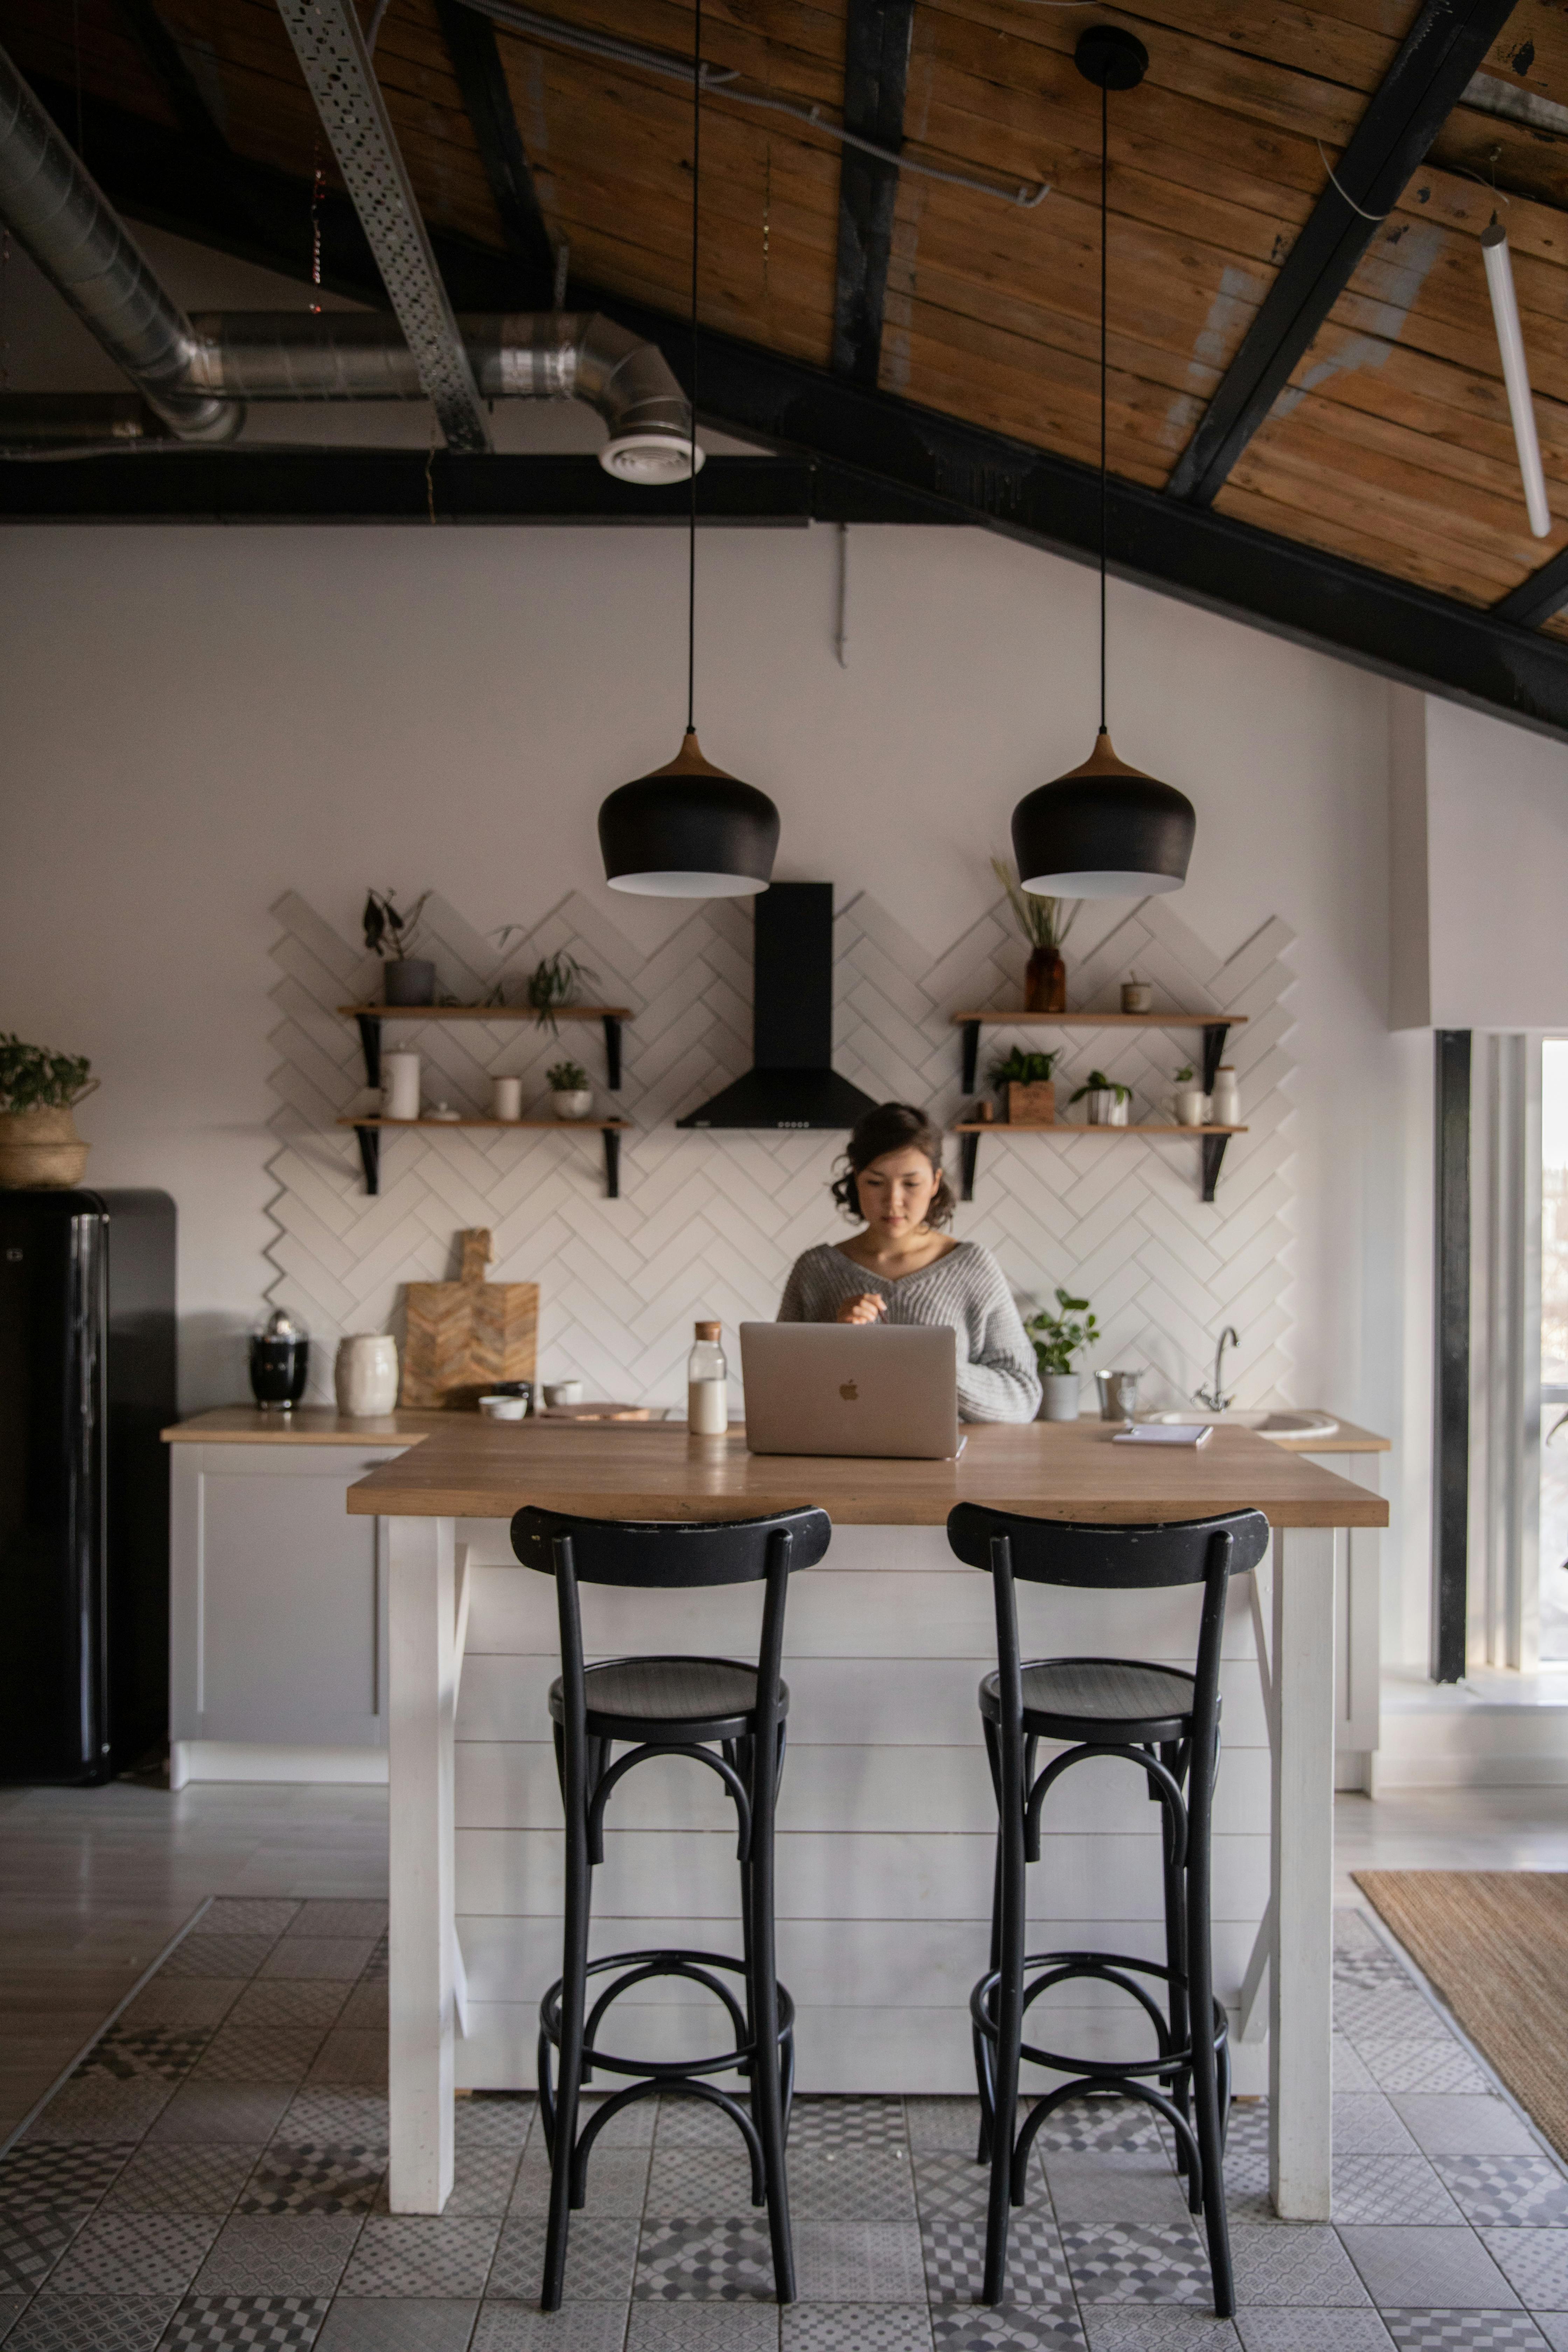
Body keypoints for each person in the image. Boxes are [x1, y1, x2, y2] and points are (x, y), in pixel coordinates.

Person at [777, 1101, 1042, 1424]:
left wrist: (932, 1364)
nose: (893, 1200)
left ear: (935, 1182)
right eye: (875, 1182)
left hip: (950, 1470)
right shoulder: (815, 1270)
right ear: (856, 1181)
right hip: (840, 1464)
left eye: (911, 1184)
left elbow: (1023, 1397)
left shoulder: (974, 1267)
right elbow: (779, 1392)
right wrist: (836, 1343)